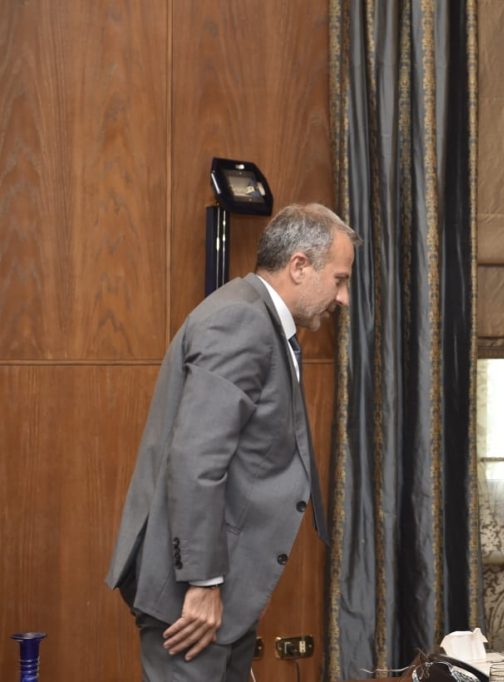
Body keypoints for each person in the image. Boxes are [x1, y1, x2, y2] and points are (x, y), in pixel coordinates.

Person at [106, 203, 359, 681]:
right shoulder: (241, 320)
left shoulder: (257, 318)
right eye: (340, 280)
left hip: (223, 590)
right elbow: (197, 459)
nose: (343, 298)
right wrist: (203, 583)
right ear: (299, 266)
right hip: (192, 598)